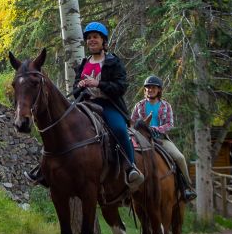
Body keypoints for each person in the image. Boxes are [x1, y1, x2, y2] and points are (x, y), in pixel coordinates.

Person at [27, 22, 144, 191]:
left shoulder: (112, 61)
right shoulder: (84, 62)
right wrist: (80, 86)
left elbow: (121, 86)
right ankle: (44, 169)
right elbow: (75, 89)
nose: (91, 40)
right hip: (86, 105)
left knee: (118, 129)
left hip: (108, 105)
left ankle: (131, 167)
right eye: (89, 38)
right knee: (60, 129)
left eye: (95, 37)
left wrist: (98, 83)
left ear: (103, 41)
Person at [130, 75, 196, 202]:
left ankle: (187, 187)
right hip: (141, 139)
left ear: (159, 90)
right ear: (145, 90)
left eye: (153, 87)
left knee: (180, 158)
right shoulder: (139, 106)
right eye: (148, 87)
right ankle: (127, 188)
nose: (150, 89)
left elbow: (169, 124)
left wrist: (156, 128)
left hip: (160, 139)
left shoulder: (166, 106)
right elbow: (132, 122)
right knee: (128, 155)